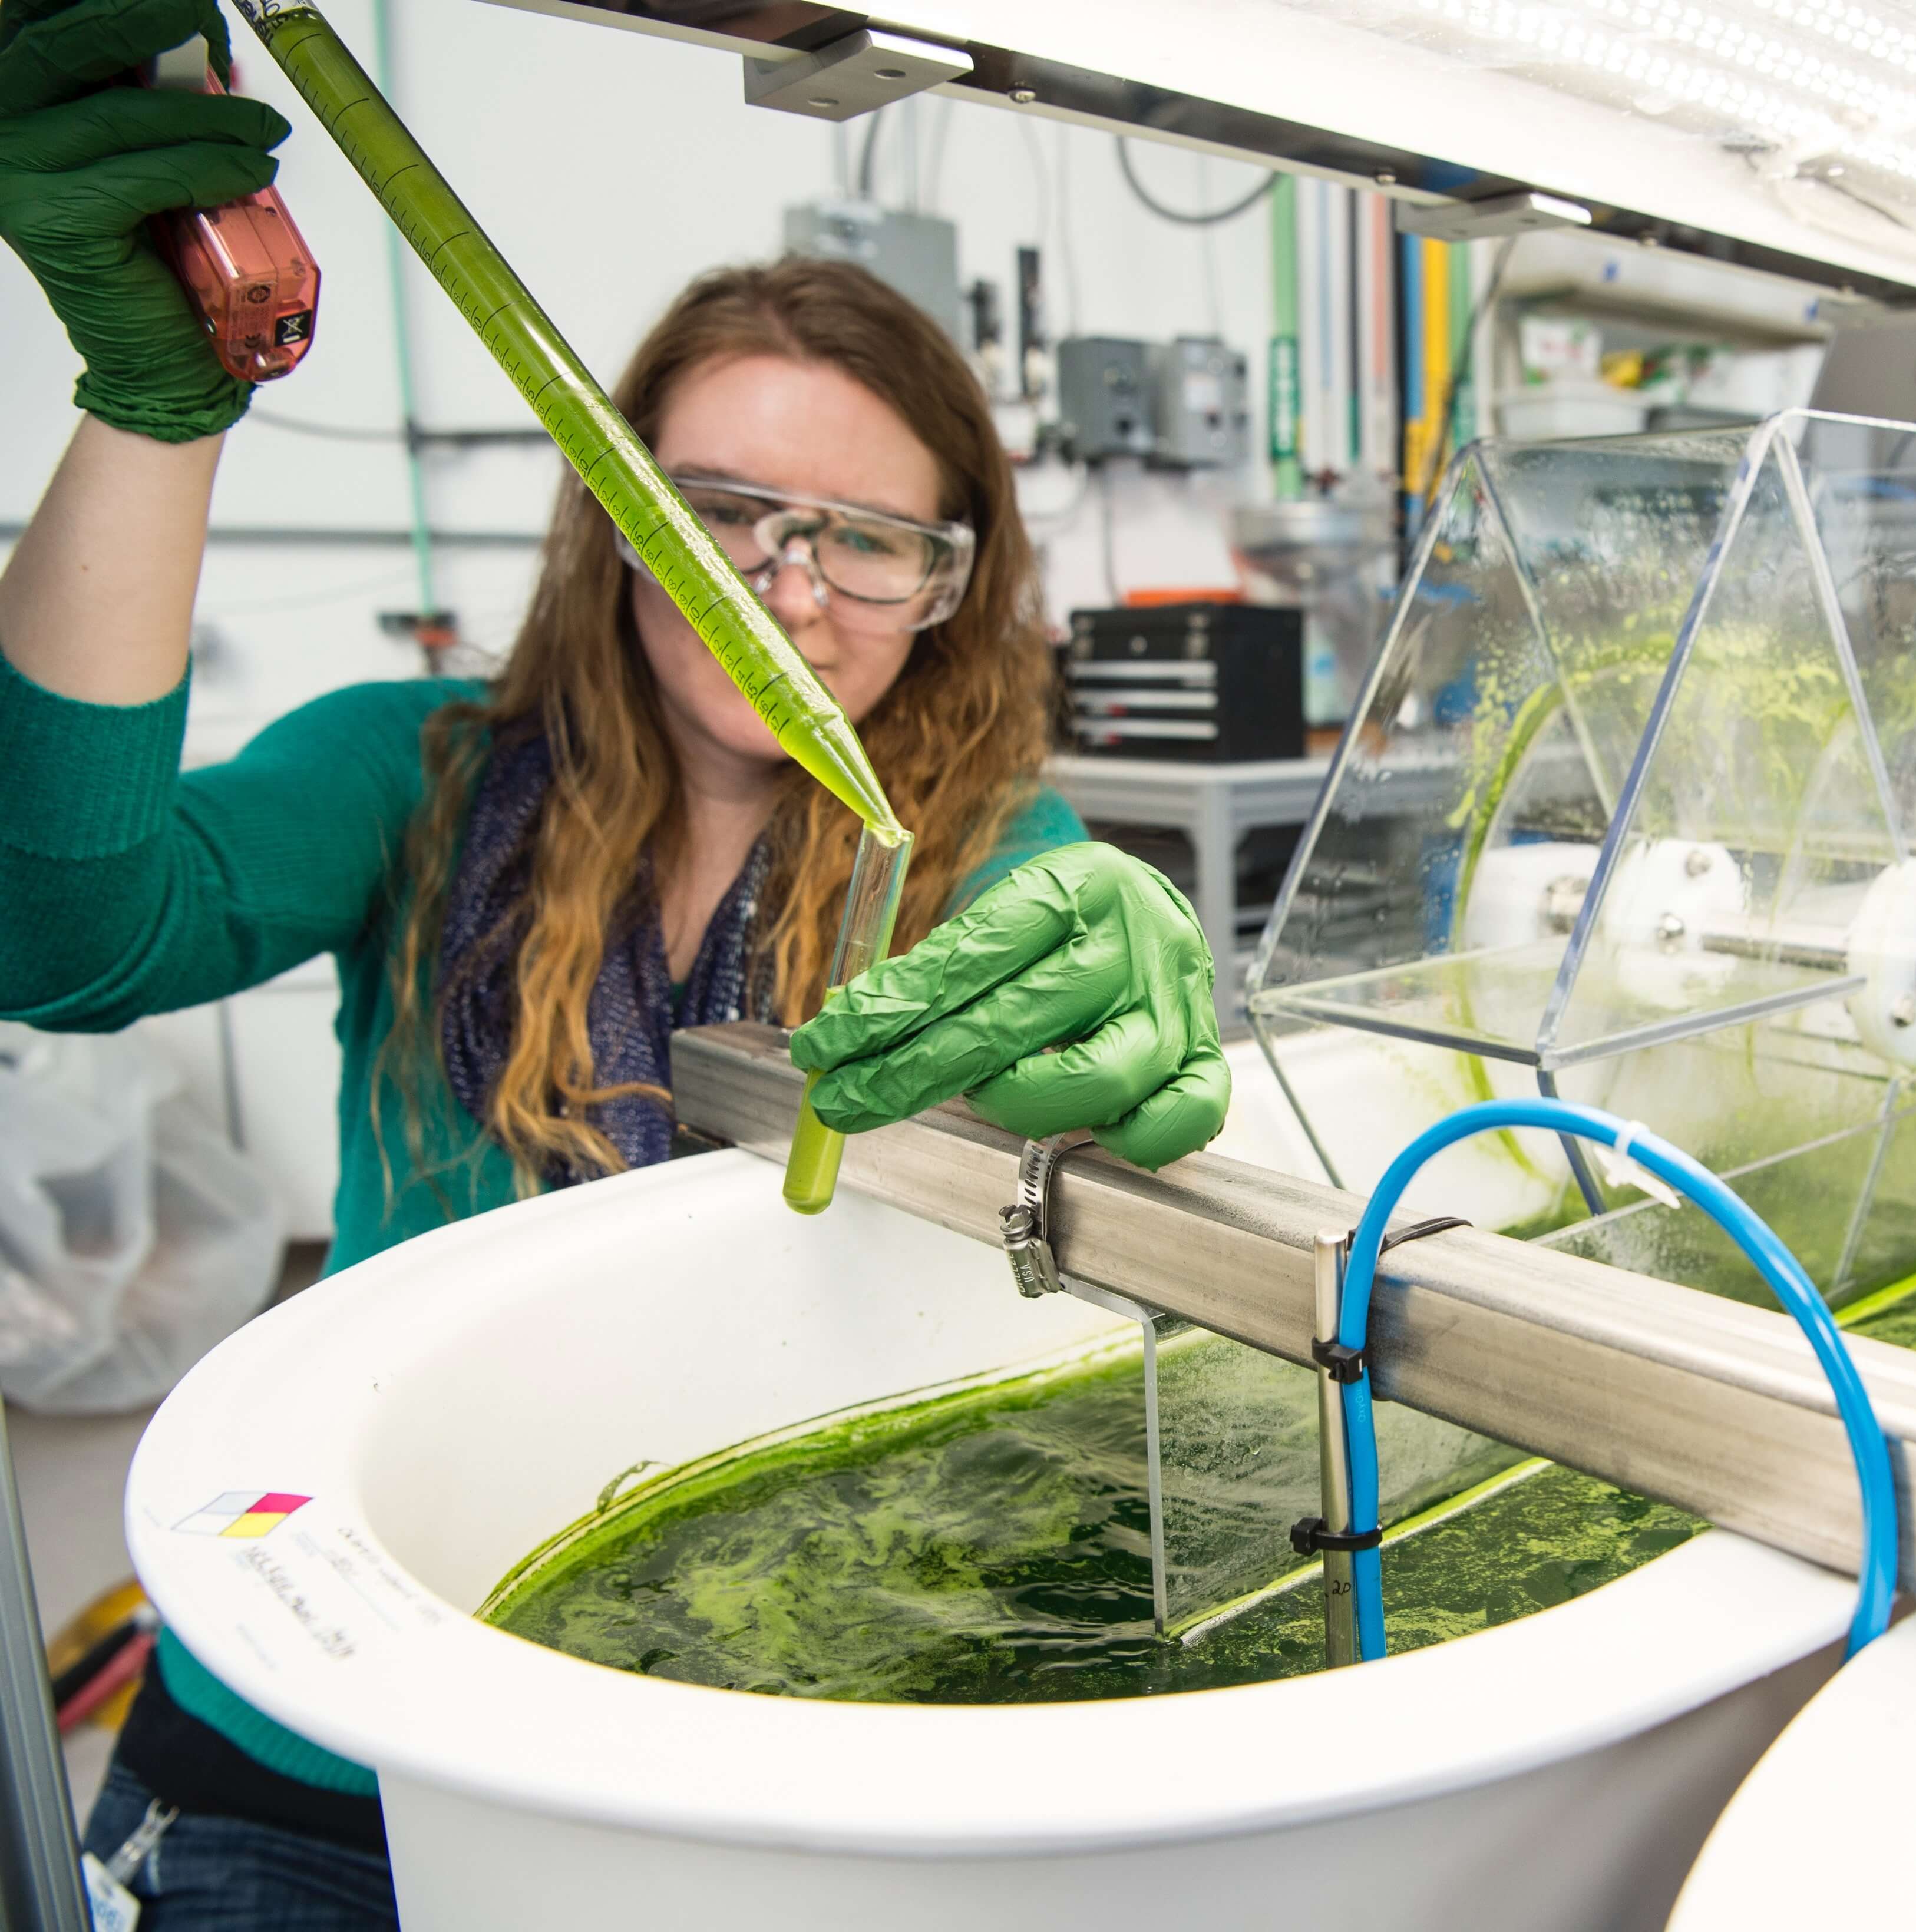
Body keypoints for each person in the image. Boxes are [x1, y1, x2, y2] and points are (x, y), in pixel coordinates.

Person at [0, 0, 1228, 1920]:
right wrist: (161, 409)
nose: (791, 593)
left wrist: (1158, 1008)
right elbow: (59, 940)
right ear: (613, 509)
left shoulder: (992, 870)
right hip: (314, 1740)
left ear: (954, 584)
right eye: (721, 514)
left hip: (718, 1746)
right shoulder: (408, 778)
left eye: (870, 542)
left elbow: (1106, 1172)